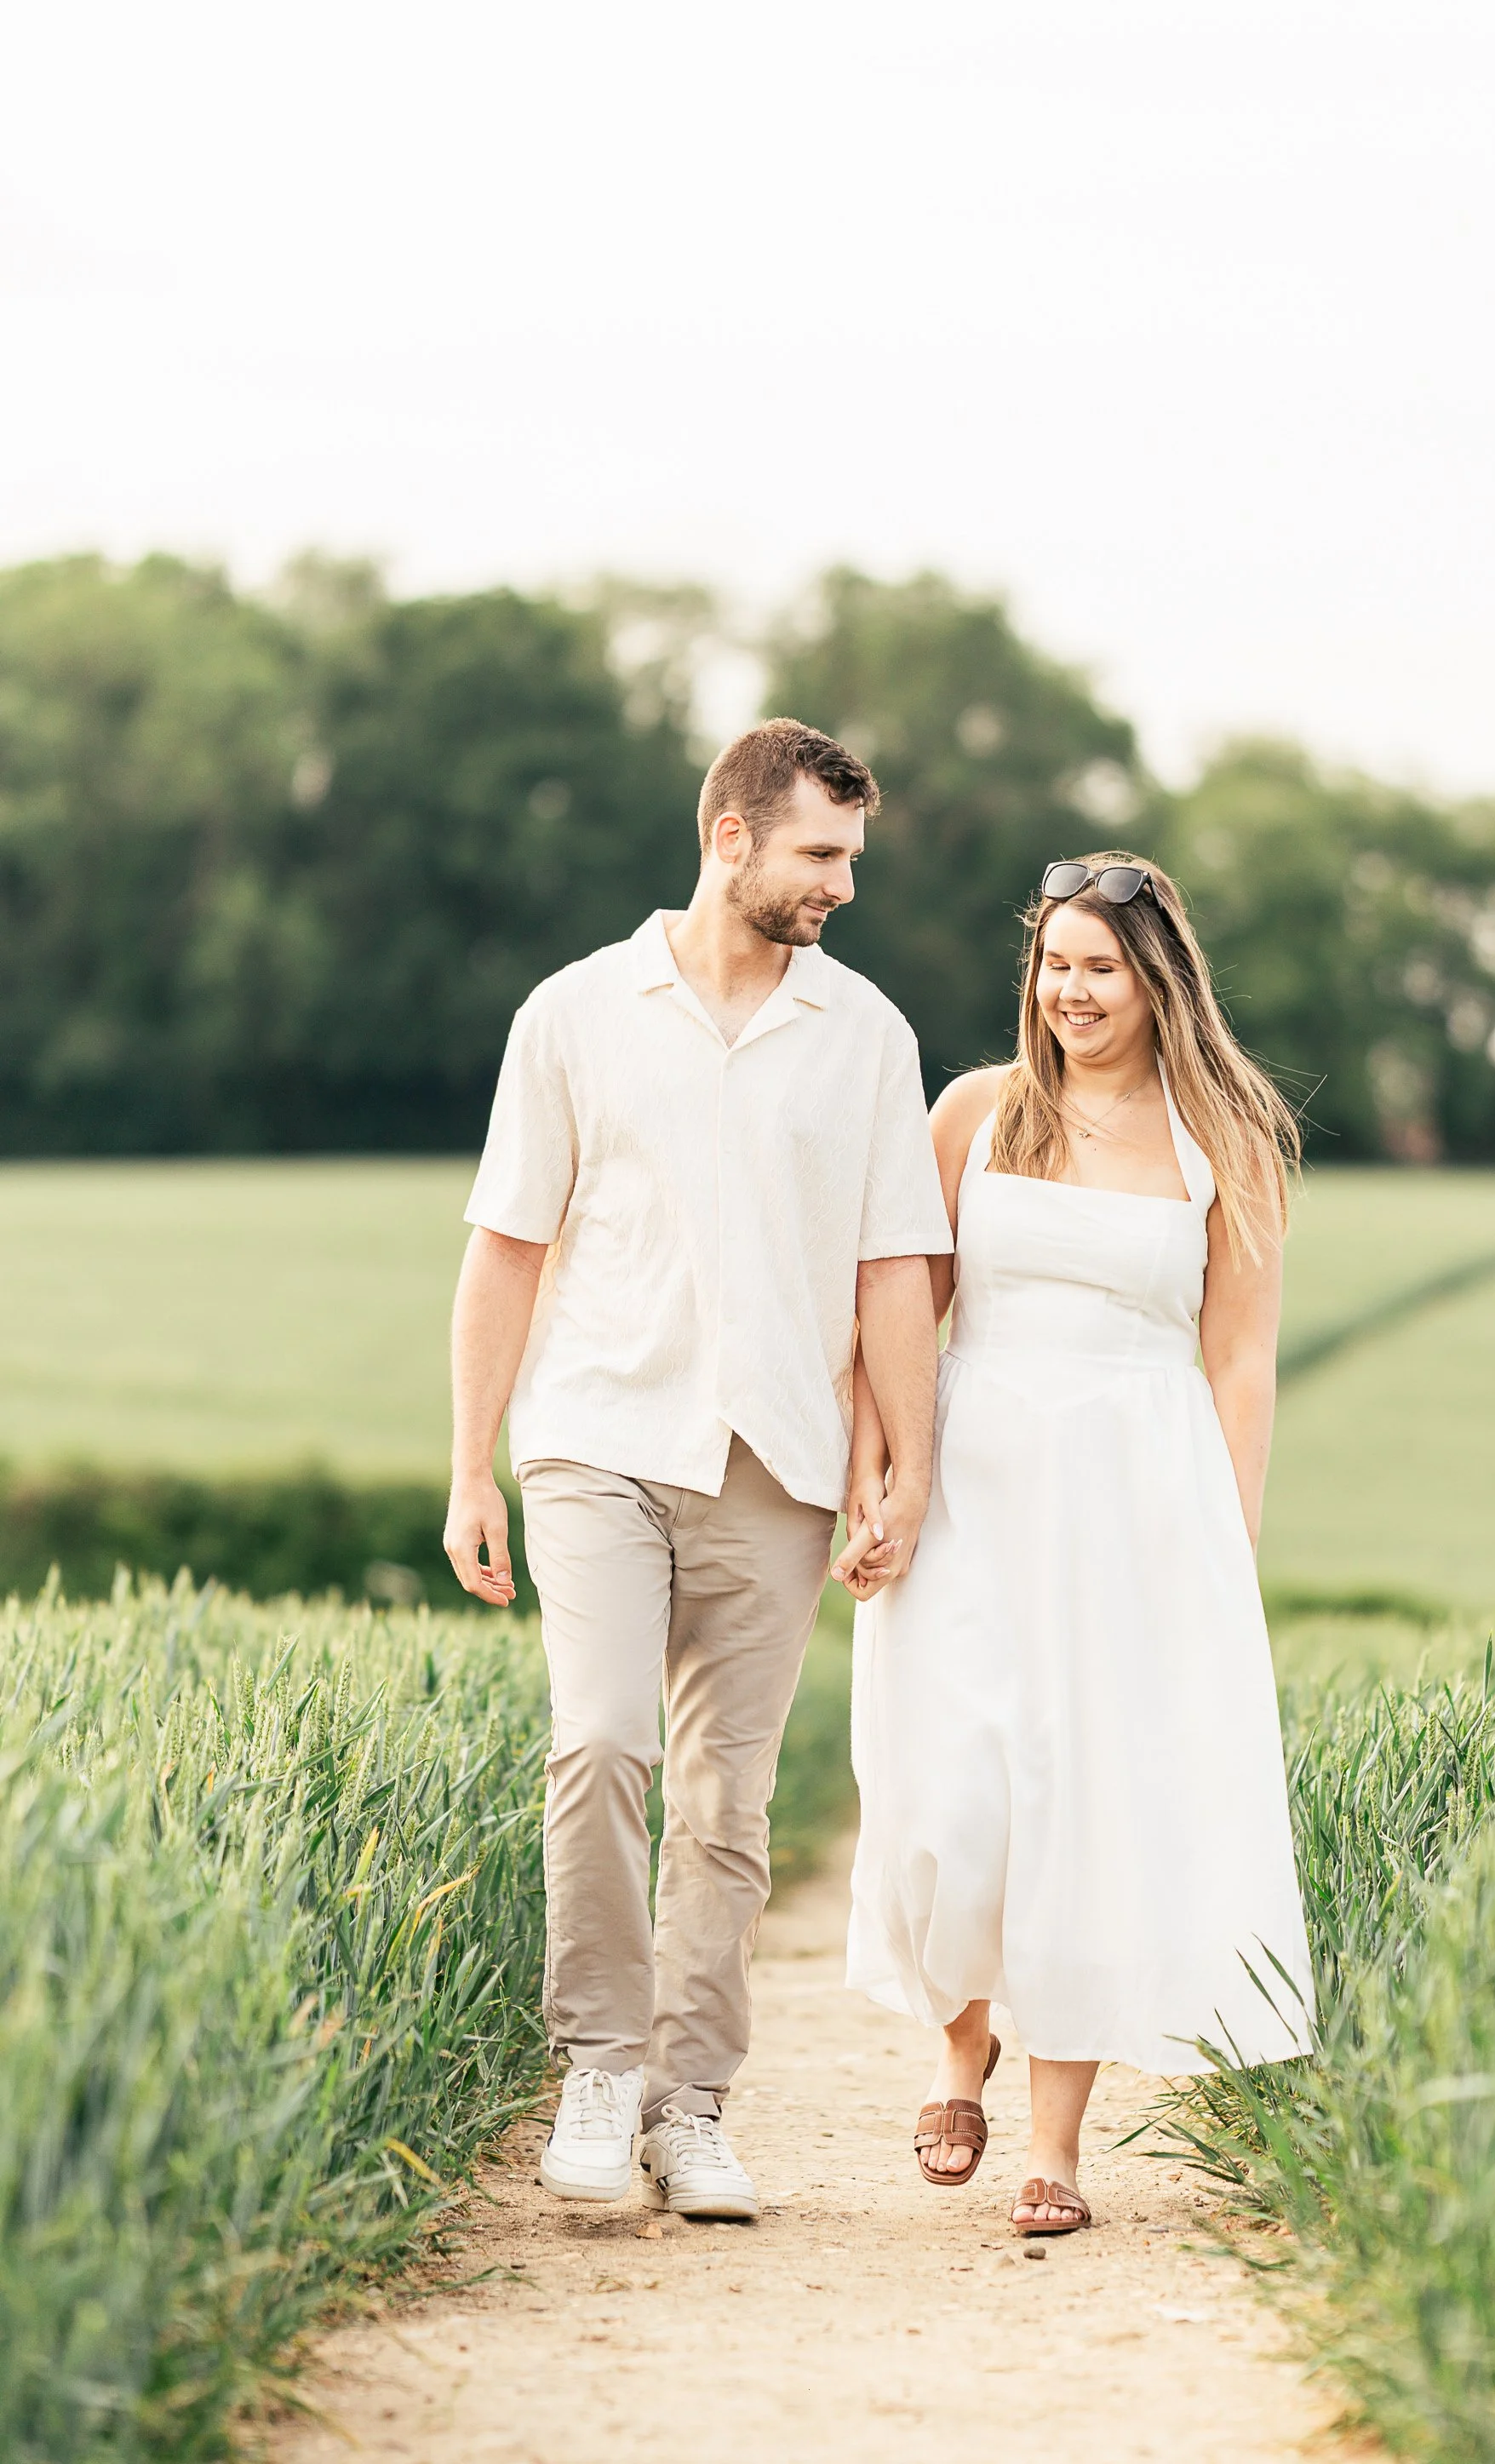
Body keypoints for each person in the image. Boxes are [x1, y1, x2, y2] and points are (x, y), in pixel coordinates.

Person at [444, 719, 951, 2222]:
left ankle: (692, 2102)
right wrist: (471, 1467)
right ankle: (599, 2067)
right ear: (729, 836)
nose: (842, 883)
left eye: (851, 856)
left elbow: (893, 1270)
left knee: (729, 1804)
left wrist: (903, 1468)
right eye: (821, 853)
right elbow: (507, 1245)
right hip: (598, 1434)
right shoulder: (576, 1014)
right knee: (601, 1745)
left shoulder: (864, 1034)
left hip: (779, 1462)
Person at [839, 852, 1316, 2237]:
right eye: (1054, 964)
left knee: (1086, 1806)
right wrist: (876, 1475)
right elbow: (899, 1313)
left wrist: (1223, 1546)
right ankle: (958, 2038)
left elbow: (1239, 1364)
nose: (1070, 991)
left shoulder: (1221, 1144)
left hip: (1135, 1500)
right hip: (973, 1481)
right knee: (952, 1797)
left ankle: (1056, 2147)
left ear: (1156, 981)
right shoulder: (975, 1115)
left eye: (1098, 968)